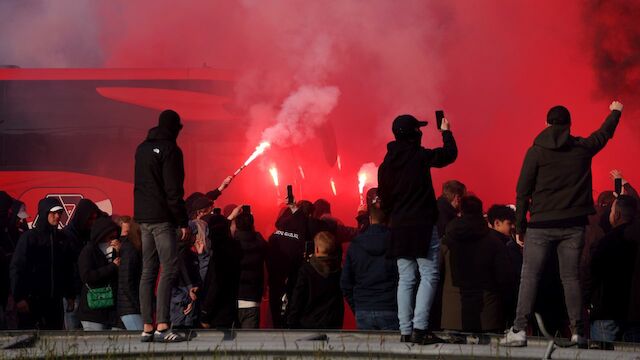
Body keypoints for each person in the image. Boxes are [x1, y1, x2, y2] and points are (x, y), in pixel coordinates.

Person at [501, 101, 623, 347]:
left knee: (530, 276)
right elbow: (603, 135)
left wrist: (520, 227)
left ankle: (519, 330)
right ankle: (578, 332)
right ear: (569, 125)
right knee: (571, 278)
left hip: (540, 225)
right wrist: (615, 112)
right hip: (573, 225)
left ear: (546, 124)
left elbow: (522, 191)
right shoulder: (581, 148)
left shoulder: (535, 152)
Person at [378, 113, 457, 344]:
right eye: (418, 129)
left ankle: (405, 331)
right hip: (422, 226)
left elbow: (385, 199)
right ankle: (420, 329)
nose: (421, 132)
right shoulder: (420, 156)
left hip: (398, 226)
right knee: (429, 275)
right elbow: (449, 155)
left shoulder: (386, 165)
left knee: (406, 278)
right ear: (414, 134)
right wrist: (446, 132)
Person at [134, 109, 190, 342]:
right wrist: (182, 221)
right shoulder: (171, 150)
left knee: (148, 271)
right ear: (174, 127)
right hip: (162, 219)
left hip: (143, 218)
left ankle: (147, 326)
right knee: (169, 268)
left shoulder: (142, 148)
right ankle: (163, 325)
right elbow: (173, 190)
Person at [440, 196, 513, 333]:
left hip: (454, 315)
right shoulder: (494, 242)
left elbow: (435, 274)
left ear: (461, 212)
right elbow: (505, 278)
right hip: (488, 315)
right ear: (480, 212)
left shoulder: (447, 241)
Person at [10, 197, 75, 330]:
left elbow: (68, 268)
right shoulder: (29, 238)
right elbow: (17, 267)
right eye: (53, 213)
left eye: (60, 213)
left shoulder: (63, 239)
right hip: (31, 301)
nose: (57, 216)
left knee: (54, 342)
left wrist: (70, 295)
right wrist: (19, 297)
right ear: (44, 213)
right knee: (30, 342)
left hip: (55, 302)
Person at [341, 188, 399, 330]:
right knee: (393, 351)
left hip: (364, 309)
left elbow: (345, 283)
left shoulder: (355, 245)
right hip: (390, 307)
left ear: (369, 216)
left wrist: (358, 307)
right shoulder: (397, 243)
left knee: (368, 352)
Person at [586, 195, 639, 344]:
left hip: (607, 312)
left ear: (617, 215)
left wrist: (586, 301)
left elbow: (592, 274)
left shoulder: (607, 241)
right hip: (634, 315)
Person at [287, 231, 343, 329]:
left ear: (316, 248)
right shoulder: (339, 271)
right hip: (332, 324)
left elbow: (298, 298)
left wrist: (291, 322)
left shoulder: (306, 270)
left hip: (308, 324)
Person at [77, 217, 121, 330]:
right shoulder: (89, 250)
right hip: (93, 310)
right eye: (110, 234)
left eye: (115, 234)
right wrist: (111, 267)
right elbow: (86, 276)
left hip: (112, 309)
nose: (113, 236)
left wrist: (120, 251)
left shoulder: (117, 249)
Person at [63, 198, 100, 330]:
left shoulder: (92, 235)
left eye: (95, 218)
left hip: (90, 291)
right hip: (74, 292)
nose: (93, 222)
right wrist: (69, 294)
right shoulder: (68, 236)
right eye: (90, 219)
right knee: (72, 331)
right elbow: (65, 267)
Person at [232, 210, 267, 329]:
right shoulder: (259, 244)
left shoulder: (232, 244)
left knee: (231, 345)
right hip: (252, 299)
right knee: (249, 343)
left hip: (233, 298)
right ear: (253, 225)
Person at [117, 217, 144, 331]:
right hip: (130, 307)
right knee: (142, 343)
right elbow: (127, 280)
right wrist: (138, 305)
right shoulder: (130, 249)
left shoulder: (134, 248)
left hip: (130, 306)